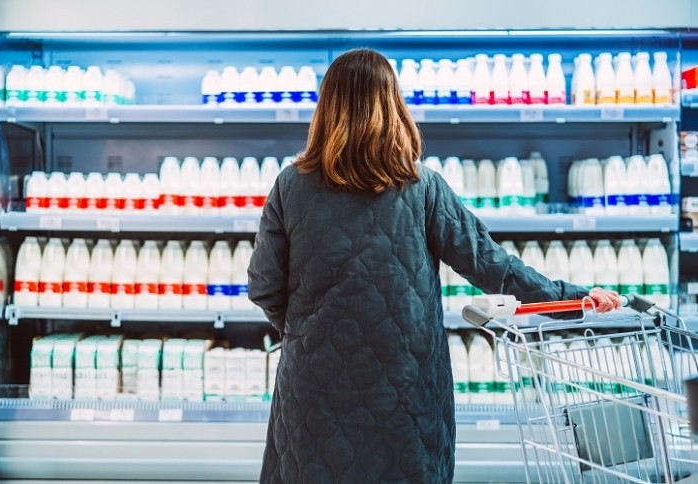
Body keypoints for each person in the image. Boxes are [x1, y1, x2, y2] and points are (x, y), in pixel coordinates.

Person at [248, 48, 621, 484]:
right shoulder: (421, 187)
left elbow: (264, 286)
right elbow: (491, 266)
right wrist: (572, 298)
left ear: (326, 109)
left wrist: (307, 331)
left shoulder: (291, 186)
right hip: (408, 393)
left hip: (313, 393)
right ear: (393, 107)